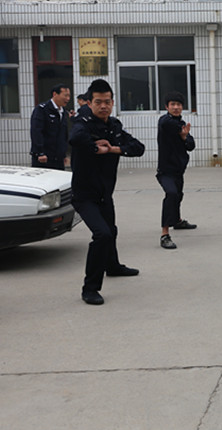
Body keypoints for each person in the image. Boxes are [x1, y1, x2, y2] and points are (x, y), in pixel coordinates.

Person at [70, 79, 145, 305]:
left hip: (105, 193)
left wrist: (113, 149)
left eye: (107, 102)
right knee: (102, 234)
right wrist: (95, 146)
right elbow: (75, 138)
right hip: (84, 195)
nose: (103, 106)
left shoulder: (114, 126)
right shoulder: (82, 123)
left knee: (111, 230)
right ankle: (90, 289)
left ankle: (112, 266)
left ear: (112, 102)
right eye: (98, 102)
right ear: (89, 103)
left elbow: (138, 148)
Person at [156, 91, 196, 250]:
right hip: (165, 170)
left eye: (178, 104)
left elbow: (191, 145)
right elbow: (168, 124)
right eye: (172, 104)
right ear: (167, 107)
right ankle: (164, 234)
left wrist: (185, 137)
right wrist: (181, 132)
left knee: (178, 195)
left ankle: (177, 221)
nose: (176, 107)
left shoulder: (182, 124)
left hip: (179, 169)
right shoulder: (164, 121)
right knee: (171, 194)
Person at [30, 83, 71, 170]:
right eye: (65, 95)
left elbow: (63, 134)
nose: (68, 99)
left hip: (58, 157)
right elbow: (36, 132)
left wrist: (63, 154)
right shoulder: (42, 109)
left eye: (69, 96)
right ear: (55, 94)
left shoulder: (63, 112)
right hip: (44, 157)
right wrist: (40, 152)